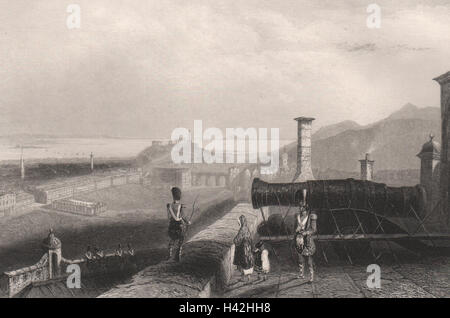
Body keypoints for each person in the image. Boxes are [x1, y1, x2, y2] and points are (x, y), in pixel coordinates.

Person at [293, 189, 317, 282]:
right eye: (300, 206)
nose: (300, 208)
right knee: (300, 258)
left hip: (307, 240)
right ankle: (301, 274)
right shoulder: (297, 216)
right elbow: (295, 228)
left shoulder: (312, 216)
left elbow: (314, 229)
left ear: (306, 206)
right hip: (298, 240)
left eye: (302, 206)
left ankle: (311, 276)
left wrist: (306, 232)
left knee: (309, 259)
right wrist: (296, 230)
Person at [167, 187, 190, 261]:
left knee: (172, 239)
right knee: (181, 238)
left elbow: (169, 217)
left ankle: (169, 255)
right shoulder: (180, 205)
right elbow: (183, 216)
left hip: (172, 225)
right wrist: (188, 222)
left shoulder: (169, 205)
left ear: (173, 196)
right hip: (179, 225)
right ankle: (177, 256)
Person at [233, 215, 254, 282]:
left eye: (239, 221)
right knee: (247, 263)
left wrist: (235, 240)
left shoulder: (242, 229)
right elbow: (250, 239)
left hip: (243, 249)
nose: (238, 223)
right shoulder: (246, 228)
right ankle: (248, 278)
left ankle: (244, 278)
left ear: (241, 222)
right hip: (248, 249)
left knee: (243, 263)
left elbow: (236, 239)